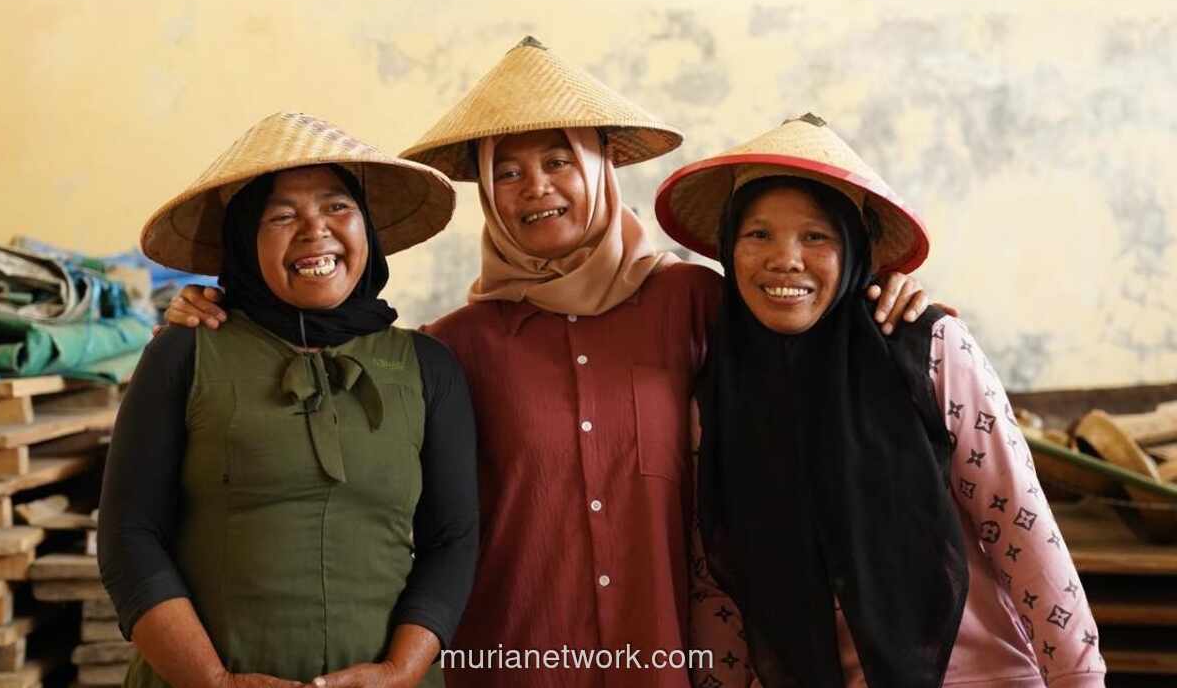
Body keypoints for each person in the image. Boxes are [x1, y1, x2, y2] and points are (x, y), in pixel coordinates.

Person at [163, 41, 932, 687]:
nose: (534, 187)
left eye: (559, 160)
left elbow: (803, 331)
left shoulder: (693, 301)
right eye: (508, 170)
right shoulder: (450, 347)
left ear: (600, 168)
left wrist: (890, 301)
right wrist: (216, 313)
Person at [655, 113, 1105, 687]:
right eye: (758, 234)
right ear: (729, 247)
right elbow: (714, 581)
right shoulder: (717, 389)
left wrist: (1079, 678)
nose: (785, 259)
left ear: (853, 247)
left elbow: (1018, 524)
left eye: (815, 236)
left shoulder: (929, 350)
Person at [99, 112, 479, 688]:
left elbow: (452, 539)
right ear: (245, 244)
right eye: (281, 216)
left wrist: (401, 671)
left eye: (336, 207)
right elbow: (129, 535)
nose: (314, 230)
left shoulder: (429, 367)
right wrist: (212, 681)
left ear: (365, 230)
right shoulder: (186, 353)